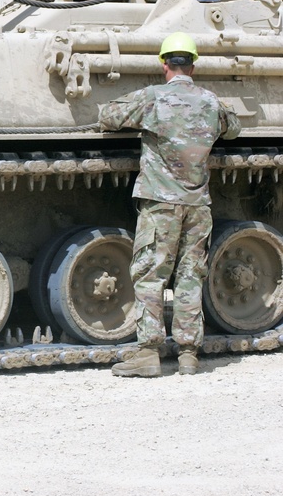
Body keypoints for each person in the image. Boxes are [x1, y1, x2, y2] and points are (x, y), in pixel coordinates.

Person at [99, 32, 240, 377]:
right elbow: (233, 128)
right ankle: (189, 354)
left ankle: (149, 352)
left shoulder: (153, 98)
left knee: (151, 274)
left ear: (164, 65)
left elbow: (109, 117)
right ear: (194, 65)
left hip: (161, 204)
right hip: (197, 204)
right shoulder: (211, 102)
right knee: (191, 275)